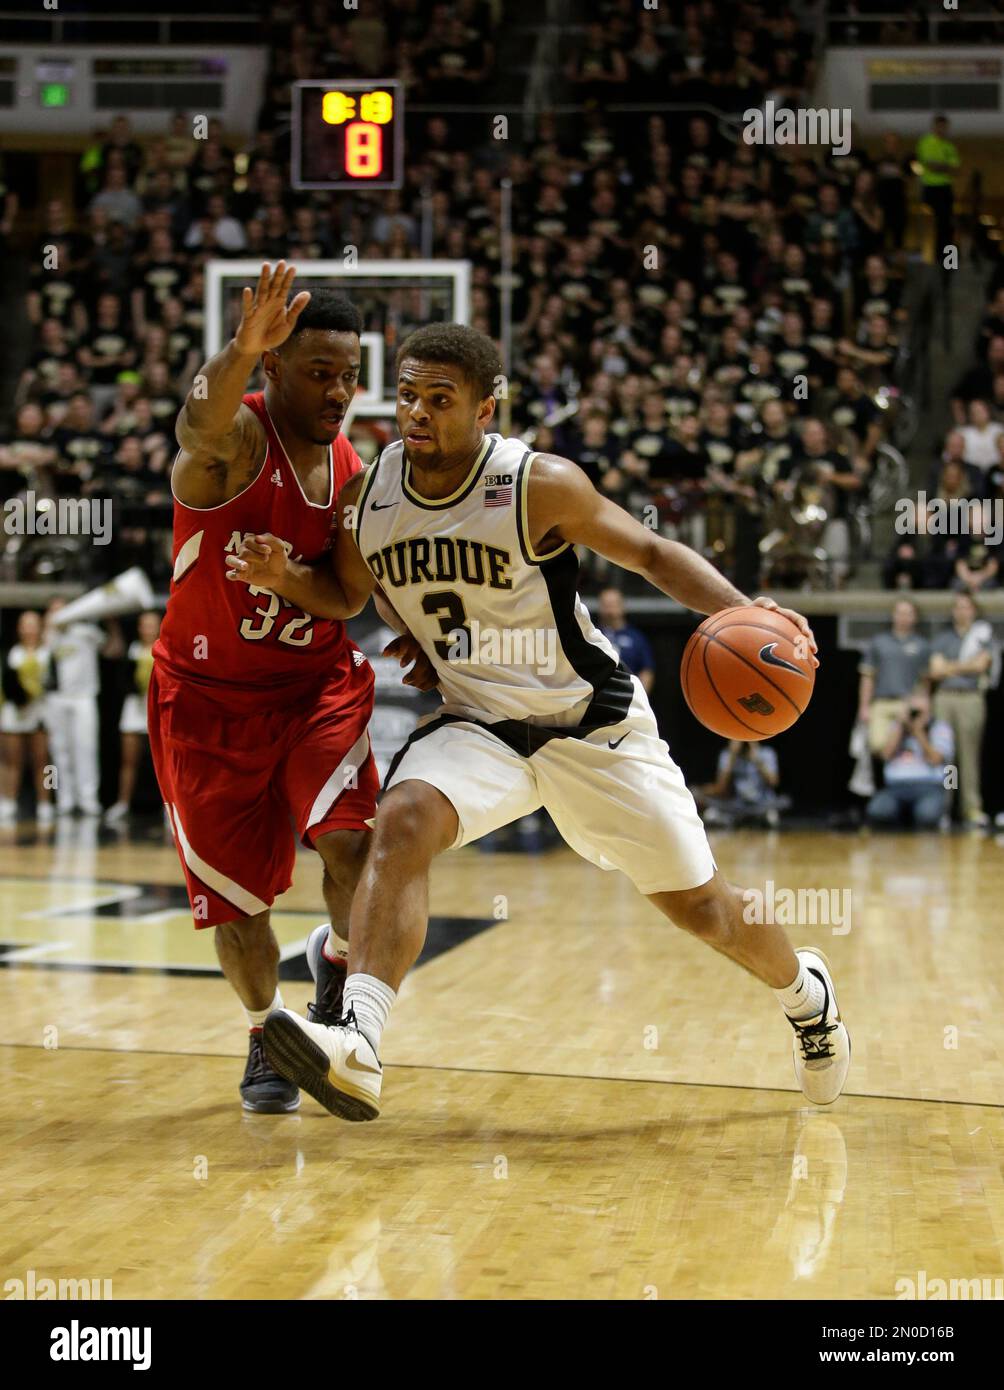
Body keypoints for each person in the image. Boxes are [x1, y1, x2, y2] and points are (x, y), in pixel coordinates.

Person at [228, 322, 851, 1123]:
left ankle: (806, 993)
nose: (416, 413)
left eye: (440, 400)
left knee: (707, 911)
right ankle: (360, 1041)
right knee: (403, 820)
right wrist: (296, 581)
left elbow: (654, 556)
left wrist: (746, 610)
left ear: (488, 409)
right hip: (481, 724)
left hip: (590, 726)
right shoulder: (372, 491)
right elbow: (353, 592)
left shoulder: (537, 483)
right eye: (408, 395)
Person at [151, 261, 426, 1113]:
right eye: (319, 373)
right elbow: (197, 422)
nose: (340, 391)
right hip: (204, 703)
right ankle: (268, 1035)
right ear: (273, 366)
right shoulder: (235, 447)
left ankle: (338, 976)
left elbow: (345, 598)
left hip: (313, 691)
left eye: (349, 376)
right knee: (240, 913)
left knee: (352, 844)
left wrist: (284, 580)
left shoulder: (354, 474)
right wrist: (239, 344)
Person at [929, 591, 996, 828]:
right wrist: (964, 667)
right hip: (945, 699)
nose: (962, 611)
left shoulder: (982, 636)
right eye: (958, 607)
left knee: (969, 756)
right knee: (947, 757)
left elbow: (981, 665)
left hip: (970, 699)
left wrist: (950, 667)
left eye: (966, 607)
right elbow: (935, 671)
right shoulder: (943, 638)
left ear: (973, 610)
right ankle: (945, 808)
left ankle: (971, 808)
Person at [865, 688, 953, 830]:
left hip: (929, 787)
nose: (915, 715)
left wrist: (918, 732)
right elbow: (885, 755)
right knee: (877, 812)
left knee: (927, 816)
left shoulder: (939, 727)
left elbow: (936, 759)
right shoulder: (897, 727)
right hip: (896, 787)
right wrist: (900, 726)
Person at [105, 609, 161, 826]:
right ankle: (123, 803)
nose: (148, 629)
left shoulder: (165, 648)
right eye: (144, 625)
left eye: (152, 624)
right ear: (139, 628)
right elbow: (121, 679)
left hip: (157, 709)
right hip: (134, 708)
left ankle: (169, 808)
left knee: (163, 763)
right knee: (129, 760)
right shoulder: (132, 649)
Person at [857, 598, 930, 757]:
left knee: (915, 746)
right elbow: (867, 678)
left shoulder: (922, 646)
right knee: (877, 745)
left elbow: (925, 681)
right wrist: (864, 706)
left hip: (908, 703)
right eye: (900, 613)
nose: (903, 617)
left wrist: (924, 702)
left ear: (915, 617)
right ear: (893, 615)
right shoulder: (878, 642)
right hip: (881, 703)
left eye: (908, 613)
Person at [0, 611, 54, 825]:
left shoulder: (48, 653)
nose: (29, 629)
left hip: (41, 713)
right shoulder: (12, 654)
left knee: (45, 762)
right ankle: (8, 801)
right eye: (25, 625)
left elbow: (53, 682)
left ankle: (46, 803)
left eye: (34, 625)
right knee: (12, 759)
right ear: (19, 629)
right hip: (16, 712)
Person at [694, 739, 787, 829]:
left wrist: (757, 758)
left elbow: (773, 782)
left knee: (784, 801)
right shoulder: (727, 755)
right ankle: (745, 819)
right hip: (738, 805)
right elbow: (721, 788)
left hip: (762, 803)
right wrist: (732, 757)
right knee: (710, 807)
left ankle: (758, 817)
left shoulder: (766, 753)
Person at [915, 114, 959, 257]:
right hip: (930, 187)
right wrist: (945, 166)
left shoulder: (949, 146)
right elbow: (930, 165)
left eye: (944, 127)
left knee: (946, 224)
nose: (942, 129)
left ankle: (944, 258)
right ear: (934, 127)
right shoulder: (925, 142)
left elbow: (955, 169)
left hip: (945, 187)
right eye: (939, 126)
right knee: (929, 223)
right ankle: (927, 254)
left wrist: (940, 166)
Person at [597, 587, 654, 694]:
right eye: (606, 605)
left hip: (627, 696)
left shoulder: (636, 638)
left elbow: (646, 671)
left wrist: (639, 696)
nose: (609, 610)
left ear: (622, 606)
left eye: (613, 604)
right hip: (598, 698)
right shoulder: (591, 635)